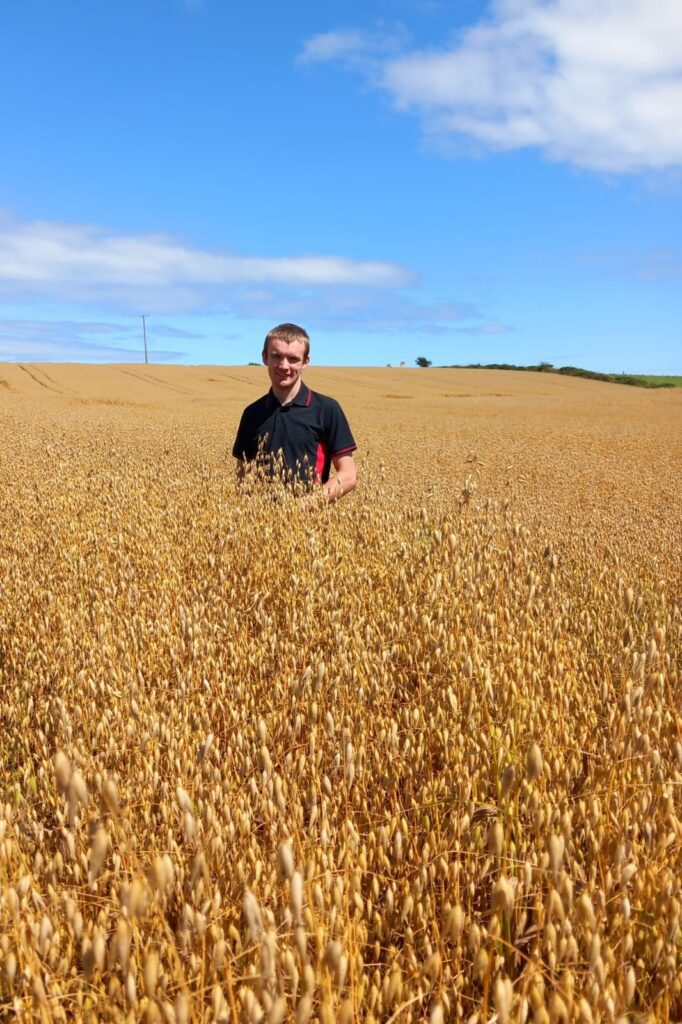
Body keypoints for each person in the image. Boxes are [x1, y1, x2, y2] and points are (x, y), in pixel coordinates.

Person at [232, 323, 357, 501]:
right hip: (258, 523)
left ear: (305, 362)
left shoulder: (327, 409)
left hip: (309, 524)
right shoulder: (252, 413)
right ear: (264, 357)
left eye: (293, 359)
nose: (284, 366)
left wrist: (305, 506)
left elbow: (348, 475)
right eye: (276, 357)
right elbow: (242, 475)